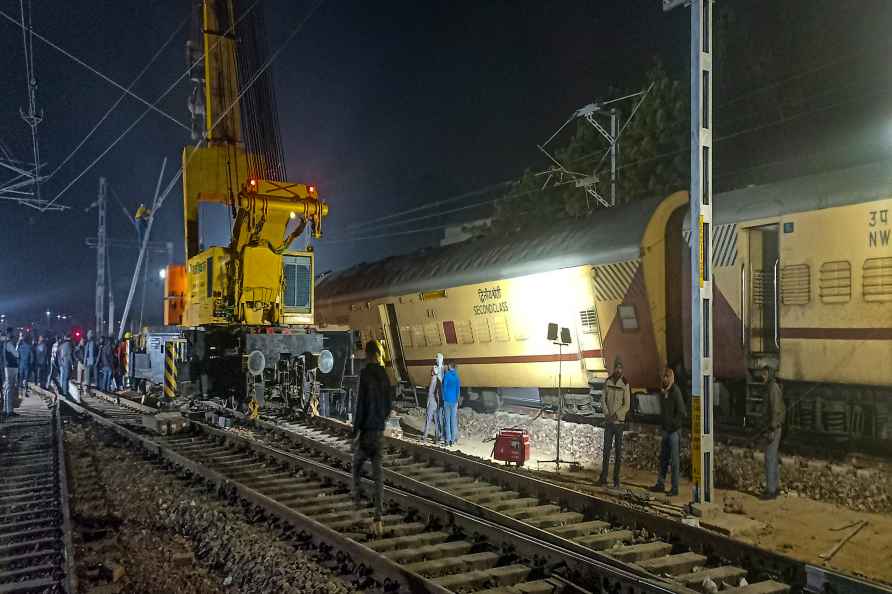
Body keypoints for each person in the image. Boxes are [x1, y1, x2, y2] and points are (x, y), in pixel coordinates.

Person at [352, 340, 393, 532]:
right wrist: (381, 421)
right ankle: (378, 518)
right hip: (378, 431)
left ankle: (358, 508)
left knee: (357, 467)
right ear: (379, 354)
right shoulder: (384, 375)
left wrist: (356, 430)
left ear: (367, 354)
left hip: (366, 432)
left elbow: (361, 405)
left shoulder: (365, 374)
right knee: (378, 475)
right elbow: (388, 406)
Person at [651, 367, 687, 497]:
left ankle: (675, 488)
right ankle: (660, 484)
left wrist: (673, 425)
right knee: (664, 459)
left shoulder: (675, 391)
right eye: (664, 376)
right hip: (666, 431)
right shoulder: (663, 392)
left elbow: (681, 412)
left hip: (673, 432)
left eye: (667, 376)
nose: (665, 378)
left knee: (675, 461)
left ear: (671, 378)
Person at [598, 357, 631, 489]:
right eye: (616, 367)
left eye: (620, 368)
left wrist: (617, 415)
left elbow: (627, 405)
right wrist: (607, 414)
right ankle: (603, 477)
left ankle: (616, 480)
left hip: (619, 424)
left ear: (622, 369)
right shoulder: (608, 381)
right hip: (609, 423)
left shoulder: (625, 383)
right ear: (614, 368)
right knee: (606, 450)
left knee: (618, 452)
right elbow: (603, 400)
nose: (618, 370)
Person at [762, 366, 785, 500]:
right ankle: (775, 488)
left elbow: (775, 409)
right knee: (773, 457)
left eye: (764, 374)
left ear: (769, 375)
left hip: (774, 428)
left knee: (769, 458)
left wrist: (771, 428)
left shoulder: (772, 388)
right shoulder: (772, 386)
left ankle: (771, 491)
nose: (762, 377)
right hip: (775, 427)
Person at [422, 353, 444, 443]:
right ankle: (437, 439)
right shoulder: (441, 380)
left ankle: (425, 436)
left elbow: (430, 393)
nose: (431, 372)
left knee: (428, 419)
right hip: (438, 403)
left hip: (432, 402)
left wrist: (427, 403)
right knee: (437, 421)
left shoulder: (433, 381)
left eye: (432, 371)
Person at [442, 361, 461, 446]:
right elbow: (458, 390)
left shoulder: (447, 375)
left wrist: (443, 398)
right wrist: (457, 400)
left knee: (447, 421)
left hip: (447, 401)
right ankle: (453, 441)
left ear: (449, 366)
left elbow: (444, 387)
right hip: (454, 402)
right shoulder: (457, 376)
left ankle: (447, 440)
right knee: (453, 421)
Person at [3, 328, 19, 417]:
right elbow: (17, 354)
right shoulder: (8, 343)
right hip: (10, 367)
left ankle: (6, 409)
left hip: (7, 367)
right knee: (10, 388)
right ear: (10, 333)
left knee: (7, 388)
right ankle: (9, 411)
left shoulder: (5, 343)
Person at [58, 334, 73, 400]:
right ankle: (65, 392)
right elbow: (69, 355)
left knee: (64, 378)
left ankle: (64, 391)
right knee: (66, 378)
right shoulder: (69, 345)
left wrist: (60, 362)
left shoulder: (61, 345)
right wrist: (72, 364)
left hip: (63, 363)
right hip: (67, 363)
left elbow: (58, 353)